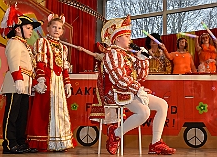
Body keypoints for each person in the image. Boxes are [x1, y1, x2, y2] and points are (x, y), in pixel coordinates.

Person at [89, 15, 176, 155]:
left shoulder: (127, 55)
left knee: (162, 105)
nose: (131, 39)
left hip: (129, 92)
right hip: (114, 93)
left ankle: (155, 143)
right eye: (127, 36)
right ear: (117, 38)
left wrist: (142, 60)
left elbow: (141, 76)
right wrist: (137, 89)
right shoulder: (112, 53)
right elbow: (118, 78)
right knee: (144, 112)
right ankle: (116, 134)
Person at [27, 14, 74, 152]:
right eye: (54, 27)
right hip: (48, 80)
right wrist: (41, 79)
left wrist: (67, 83)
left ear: (62, 31)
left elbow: (64, 67)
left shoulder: (63, 47)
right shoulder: (42, 42)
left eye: (59, 28)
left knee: (59, 111)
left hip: (58, 82)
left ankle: (60, 142)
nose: (56, 30)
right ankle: (42, 141)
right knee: (44, 110)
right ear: (47, 28)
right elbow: (40, 63)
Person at [0, 5, 41, 154]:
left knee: (22, 116)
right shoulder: (14, 42)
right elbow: (13, 62)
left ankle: (20, 142)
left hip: (25, 84)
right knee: (12, 114)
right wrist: (18, 79)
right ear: (18, 29)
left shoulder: (24, 45)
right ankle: (10, 143)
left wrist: (34, 84)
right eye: (28, 28)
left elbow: (29, 67)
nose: (31, 31)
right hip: (15, 84)